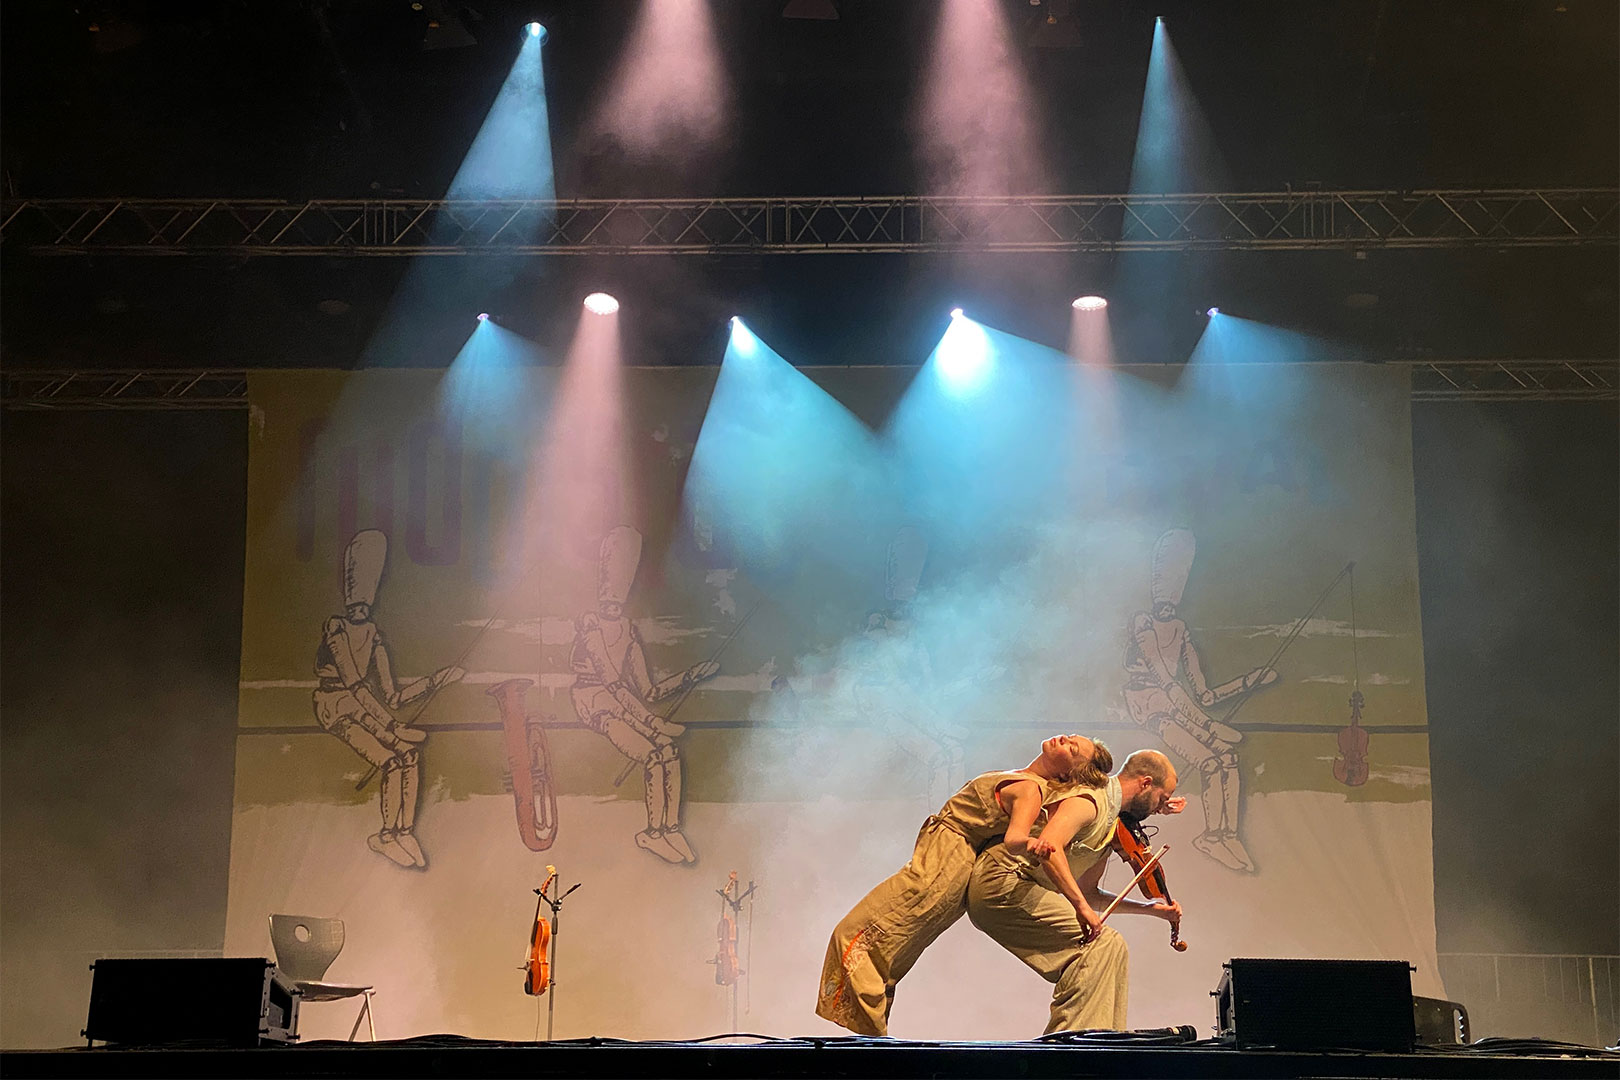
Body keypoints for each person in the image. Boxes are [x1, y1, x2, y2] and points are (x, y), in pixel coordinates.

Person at [816, 735, 1112, 1037]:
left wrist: (1031, 844)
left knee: (856, 937)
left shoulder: (1031, 790)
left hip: (943, 865)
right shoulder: (1027, 780)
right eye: (1072, 738)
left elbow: (1014, 839)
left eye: (1072, 748)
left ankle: (875, 1047)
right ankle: (873, 1045)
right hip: (940, 858)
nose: (1065, 739)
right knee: (884, 953)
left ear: (1067, 774)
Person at [966, 749, 1184, 1035]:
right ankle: (1070, 1047)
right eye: (1161, 798)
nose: (1160, 808)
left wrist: (1150, 909)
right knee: (1101, 944)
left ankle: (1103, 1043)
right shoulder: (1092, 799)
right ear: (1145, 784)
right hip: (1002, 882)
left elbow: (1089, 893)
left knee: (1112, 948)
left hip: (1018, 887)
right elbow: (1050, 846)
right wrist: (1079, 907)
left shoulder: (1111, 823)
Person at [312, 530, 465, 869]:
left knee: (409, 754)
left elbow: (393, 695)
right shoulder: (335, 628)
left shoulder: (373, 634)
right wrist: (392, 727)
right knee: (391, 761)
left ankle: (404, 830)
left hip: (360, 704)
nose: (359, 610)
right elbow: (352, 683)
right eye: (354, 604)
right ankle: (384, 835)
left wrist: (434, 681)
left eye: (364, 604)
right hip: (334, 706)